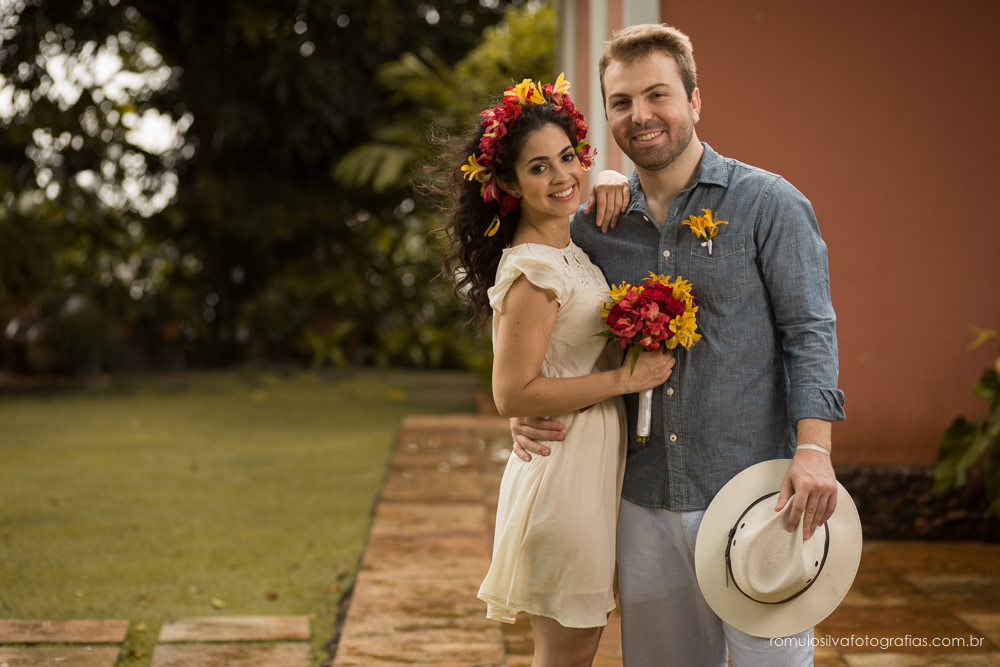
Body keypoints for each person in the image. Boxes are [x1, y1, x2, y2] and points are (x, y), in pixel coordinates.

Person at [510, 24, 846, 667]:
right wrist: (531, 405)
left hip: (758, 493)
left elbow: (811, 330)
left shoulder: (769, 205)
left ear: (695, 101)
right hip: (642, 500)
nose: (641, 116)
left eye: (657, 95)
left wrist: (814, 450)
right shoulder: (595, 227)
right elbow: (551, 324)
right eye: (621, 103)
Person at [433, 76, 673, 667]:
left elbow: (563, 359)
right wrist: (624, 381)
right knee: (565, 657)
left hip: (588, 466)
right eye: (539, 168)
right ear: (509, 184)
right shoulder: (534, 269)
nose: (563, 176)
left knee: (576, 652)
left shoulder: (569, 250)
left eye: (567, 157)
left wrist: (618, 179)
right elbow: (513, 392)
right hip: (563, 475)